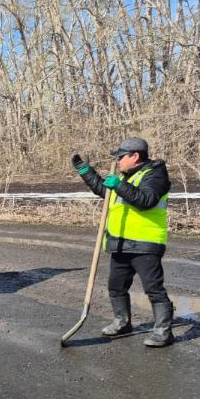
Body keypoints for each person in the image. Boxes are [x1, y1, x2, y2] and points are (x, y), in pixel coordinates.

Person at [71, 137, 174, 347]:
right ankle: (122, 322)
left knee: (154, 289)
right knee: (116, 287)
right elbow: (105, 191)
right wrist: (86, 172)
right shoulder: (125, 177)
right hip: (119, 243)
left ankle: (163, 332)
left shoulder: (155, 174)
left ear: (135, 156)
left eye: (121, 157)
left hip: (145, 243)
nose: (118, 161)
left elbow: (146, 200)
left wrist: (118, 185)